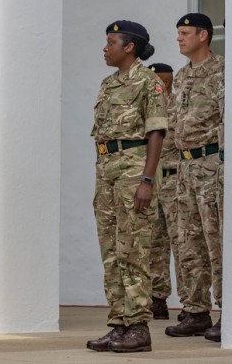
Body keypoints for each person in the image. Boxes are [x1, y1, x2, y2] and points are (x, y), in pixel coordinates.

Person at [86, 20, 167, 353]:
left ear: (129, 46)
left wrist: (147, 180)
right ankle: (119, 323)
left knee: (133, 248)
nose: (106, 48)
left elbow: (156, 133)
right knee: (111, 251)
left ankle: (138, 326)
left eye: (111, 42)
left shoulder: (148, 83)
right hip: (107, 170)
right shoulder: (108, 84)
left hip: (134, 170)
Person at [164, 13, 224, 342]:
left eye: (185, 33)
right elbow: (174, 124)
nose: (179, 38)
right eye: (178, 33)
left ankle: (228, 311)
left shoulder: (222, 72)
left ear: (203, 35)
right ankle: (196, 311)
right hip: (185, 168)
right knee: (188, 241)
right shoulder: (184, 75)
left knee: (216, 242)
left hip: (211, 164)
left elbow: (228, 120)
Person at [146, 63, 187, 321]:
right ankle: (156, 299)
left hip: (175, 183)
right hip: (150, 184)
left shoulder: (180, 107)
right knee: (153, 244)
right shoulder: (144, 108)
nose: (165, 88)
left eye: (168, 83)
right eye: (160, 83)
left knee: (183, 244)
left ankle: (191, 304)